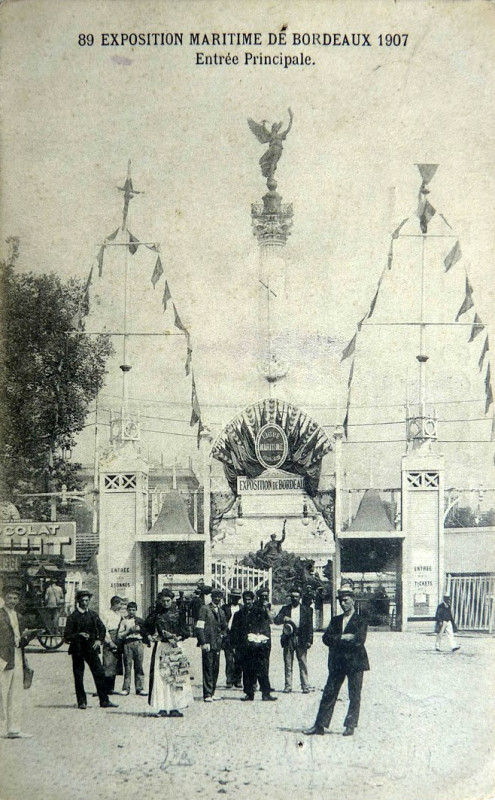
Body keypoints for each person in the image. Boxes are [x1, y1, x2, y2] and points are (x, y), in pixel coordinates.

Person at [304, 586, 369, 737]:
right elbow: (326, 638)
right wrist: (342, 637)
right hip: (337, 663)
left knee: (354, 695)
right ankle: (319, 725)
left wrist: (337, 641)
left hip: (355, 663)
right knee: (329, 693)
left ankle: (350, 725)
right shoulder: (335, 620)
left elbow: (358, 641)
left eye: (346, 600)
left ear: (353, 601)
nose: (343, 604)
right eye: (341, 601)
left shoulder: (361, 621)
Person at [63, 590, 118, 710]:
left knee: (99, 673)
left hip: (91, 649)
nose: (84, 603)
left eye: (87, 600)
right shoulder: (72, 617)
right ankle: (82, 702)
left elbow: (102, 629)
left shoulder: (93, 615)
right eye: (82, 600)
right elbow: (66, 636)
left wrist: (99, 640)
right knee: (79, 676)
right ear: (78, 601)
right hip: (77, 650)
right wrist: (78, 635)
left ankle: (104, 700)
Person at [145, 589, 193, 718]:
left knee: (177, 676)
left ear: (172, 600)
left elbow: (186, 631)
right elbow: (145, 627)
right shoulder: (156, 614)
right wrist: (150, 636)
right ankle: (162, 707)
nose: (166, 603)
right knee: (161, 677)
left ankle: (175, 707)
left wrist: (178, 637)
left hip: (176, 647)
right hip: (162, 647)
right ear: (160, 601)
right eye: (163, 601)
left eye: (168, 601)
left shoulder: (179, 613)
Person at [0, 585, 38, 738]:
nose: (12, 601)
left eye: (15, 598)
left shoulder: (19, 617)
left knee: (15, 693)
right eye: (9, 598)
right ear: (4, 598)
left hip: (17, 655)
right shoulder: (0, 615)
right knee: (1, 692)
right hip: (2, 657)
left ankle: (14, 729)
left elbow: (21, 638)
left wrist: (27, 637)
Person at [231, 590, 277, 702]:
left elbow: (265, 626)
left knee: (262, 670)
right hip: (245, 647)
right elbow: (234, 631)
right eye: (245, 600)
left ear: (253, 600)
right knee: (247, 671)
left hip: (259, 646)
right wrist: (235, 645)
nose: (247, 602)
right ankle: (249, 693)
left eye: (249, 600)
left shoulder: (260, 612)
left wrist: (259, 637)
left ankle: (266, 693)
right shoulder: (238, 614)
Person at [274, 587, 313, 694]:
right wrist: (283, 618)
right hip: (288, 638)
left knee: (303, 662)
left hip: (301, 638)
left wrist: (309, 640)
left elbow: (310, 627)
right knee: (288, 662)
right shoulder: (285, 609)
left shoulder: (307, 609)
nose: (294, 599)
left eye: (296, 597)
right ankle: (288, 686)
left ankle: (305, 686)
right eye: (292, 597)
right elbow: (276, 620)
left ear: (300, 598)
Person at [195, 588, 228, 702]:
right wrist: (203, 642)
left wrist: (222, 636)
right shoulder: (205, 609)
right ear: (211, 597)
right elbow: (199, 627)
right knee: (208, 668)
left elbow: (224, 627)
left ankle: (212, 692)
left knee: (215, 668)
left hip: (217, 644)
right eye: (215, 596)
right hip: (208, 644)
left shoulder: (221, 611)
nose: (217, 598)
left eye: (219, 597)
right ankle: (207, 694)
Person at [117, 601, 149, 695]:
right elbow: (119, 635)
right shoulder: (124, 621)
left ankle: (139, 688)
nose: (131, 612)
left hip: (138, 643)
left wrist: (140, 630)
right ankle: (126, 688)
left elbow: (146, 632)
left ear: (136, 610)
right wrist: (129, 631)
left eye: (133, 610)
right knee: (127, 666)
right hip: (128, 643)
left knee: (139, 666)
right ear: (127, 610)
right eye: (130, 610)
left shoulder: (140, 620)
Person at [100, 595, 124, 695]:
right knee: (107, 663)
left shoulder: (119, 615)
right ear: (115, 603)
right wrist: (109, 641)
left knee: (115, 664)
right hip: (109, 638)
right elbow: (103, 629)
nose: (121, 606)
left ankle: (111, 688)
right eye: (120, 604)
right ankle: (104, 688)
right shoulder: (106, 614)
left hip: (117, 638)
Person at [222, 588, 243, 688]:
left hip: (239, 636)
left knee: (239, 659)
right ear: (230, 597)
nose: (235, 599)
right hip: (229, 635)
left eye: (237, 597)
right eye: (233, 597)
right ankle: (229, 680)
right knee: (229, 659)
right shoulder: (225, 608)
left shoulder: (242, 608)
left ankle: (238, 680)